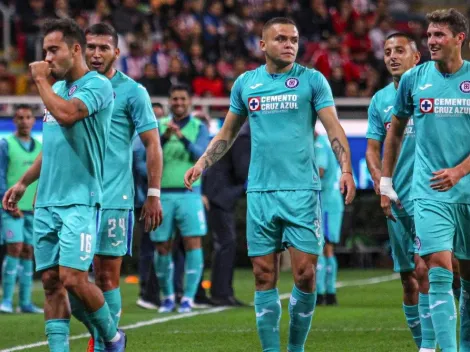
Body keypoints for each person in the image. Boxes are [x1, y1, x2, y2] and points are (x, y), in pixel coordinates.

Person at [184, 17, 356, 352]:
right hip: (261, 193)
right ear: (263, 45)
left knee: (305, 274)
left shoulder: (312, 81)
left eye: (293, 39)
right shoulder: (247, 83)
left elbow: (334, 128)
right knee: (264, 276)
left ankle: (295, 348)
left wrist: (346, 169)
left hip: (303, 192)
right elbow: (228, 132)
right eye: (280, 39)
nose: (290, 44)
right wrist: (203, 162)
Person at [2, 18, 126, 351]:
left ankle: (112, 338)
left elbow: (69, 115)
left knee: (73, 279)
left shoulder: (98, 85)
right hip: (46, 201)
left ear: (74, 49)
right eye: (44, 51)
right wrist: (24, 182)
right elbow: (53, 145)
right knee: (51, 283)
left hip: (80, 200)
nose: (46, 57)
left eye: (53, 50)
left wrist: (40, 80)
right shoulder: (55, 90)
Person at [381, 9, 470, 352]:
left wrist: (460, 171)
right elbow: (395, 131)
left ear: (459, 38)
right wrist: (386, 180)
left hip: (466, 190)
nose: (431, 41)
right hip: (429, 193)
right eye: (429, 35)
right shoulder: (414, 80)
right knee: (437, 268)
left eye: (439, 35)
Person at [78, 23, 162, 351]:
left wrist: (153, 194)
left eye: (103, 47)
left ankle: (105, 345)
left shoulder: (133, 92)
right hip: (76, 198)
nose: (96, 53)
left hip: (114, 198)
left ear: (116, 52)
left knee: (105, 278)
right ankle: (106, 335)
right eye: (91, 47)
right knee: (65, 280)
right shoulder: (72, 88)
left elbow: (152, 144)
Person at [366, 32, 437, 352]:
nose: (392, 56)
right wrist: (383, 183)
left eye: (400, 51)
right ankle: (423, 342)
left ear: (416, 57)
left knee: (426, 270)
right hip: (395, 201)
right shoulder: (380, 100)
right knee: (408, 278)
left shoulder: (432, 90)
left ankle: (432, 346)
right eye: (387, 52)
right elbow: (372, 149)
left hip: (429, 196)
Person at [151, 84, 210, 314]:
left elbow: (202, 156)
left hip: (190, 193)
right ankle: (167, 297)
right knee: (162, 246)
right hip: (163, 194)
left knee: (192, 244)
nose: (178, 103)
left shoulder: (199, 127)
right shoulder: (158, 126)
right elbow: (147, 156)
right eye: (174, 99)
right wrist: (164, 139)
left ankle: (188, 298)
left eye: (182, 99)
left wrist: (181, 138)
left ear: (190, 101)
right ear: (169, 101)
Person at [202, 121, 251, 306]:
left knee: (224, 243)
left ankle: (222, 291)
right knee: (226, 243)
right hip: (220, 195)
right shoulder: (245, 135)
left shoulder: (241, 132)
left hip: (220, 193)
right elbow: (242, 170)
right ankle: (220, 293)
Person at [0, 104, 43, 314]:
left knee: (28, 251)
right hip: (10, 207)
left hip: (32, 209)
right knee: (14, 248)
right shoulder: (5, 144)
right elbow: (0, 175)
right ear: (14, 121)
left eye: (28, 117)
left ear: (33, 121)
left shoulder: (40, 147)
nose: (24, 121)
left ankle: (25, 301)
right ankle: (7, 299)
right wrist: (6, 201)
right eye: (20, 117)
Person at [314, 132, 344, 306]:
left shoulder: (319, 145)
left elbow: (320, 170)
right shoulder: (327, 141)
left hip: (325, 202)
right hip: (332, 201)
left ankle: (321, 293)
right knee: (327, 247)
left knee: (322, 247)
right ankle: (329, 293)